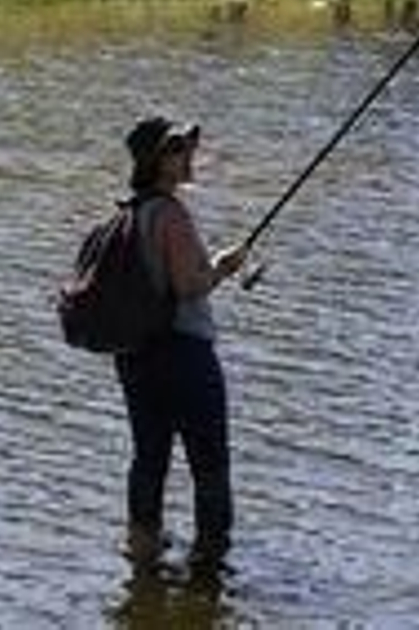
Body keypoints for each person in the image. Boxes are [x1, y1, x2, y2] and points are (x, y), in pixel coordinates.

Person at [112, 116, 248, 570]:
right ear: (157, 162)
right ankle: (211, 561)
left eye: (187, 148)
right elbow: (190, 286)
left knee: (149, 455)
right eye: (178, 150)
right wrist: (224, 268)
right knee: (210, 461)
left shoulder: (130, 211)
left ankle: (142, 546)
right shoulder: (171, 213)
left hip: (136, 355)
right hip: (184, 354)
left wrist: (209, 267)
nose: (188, 156)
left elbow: (165, 280)